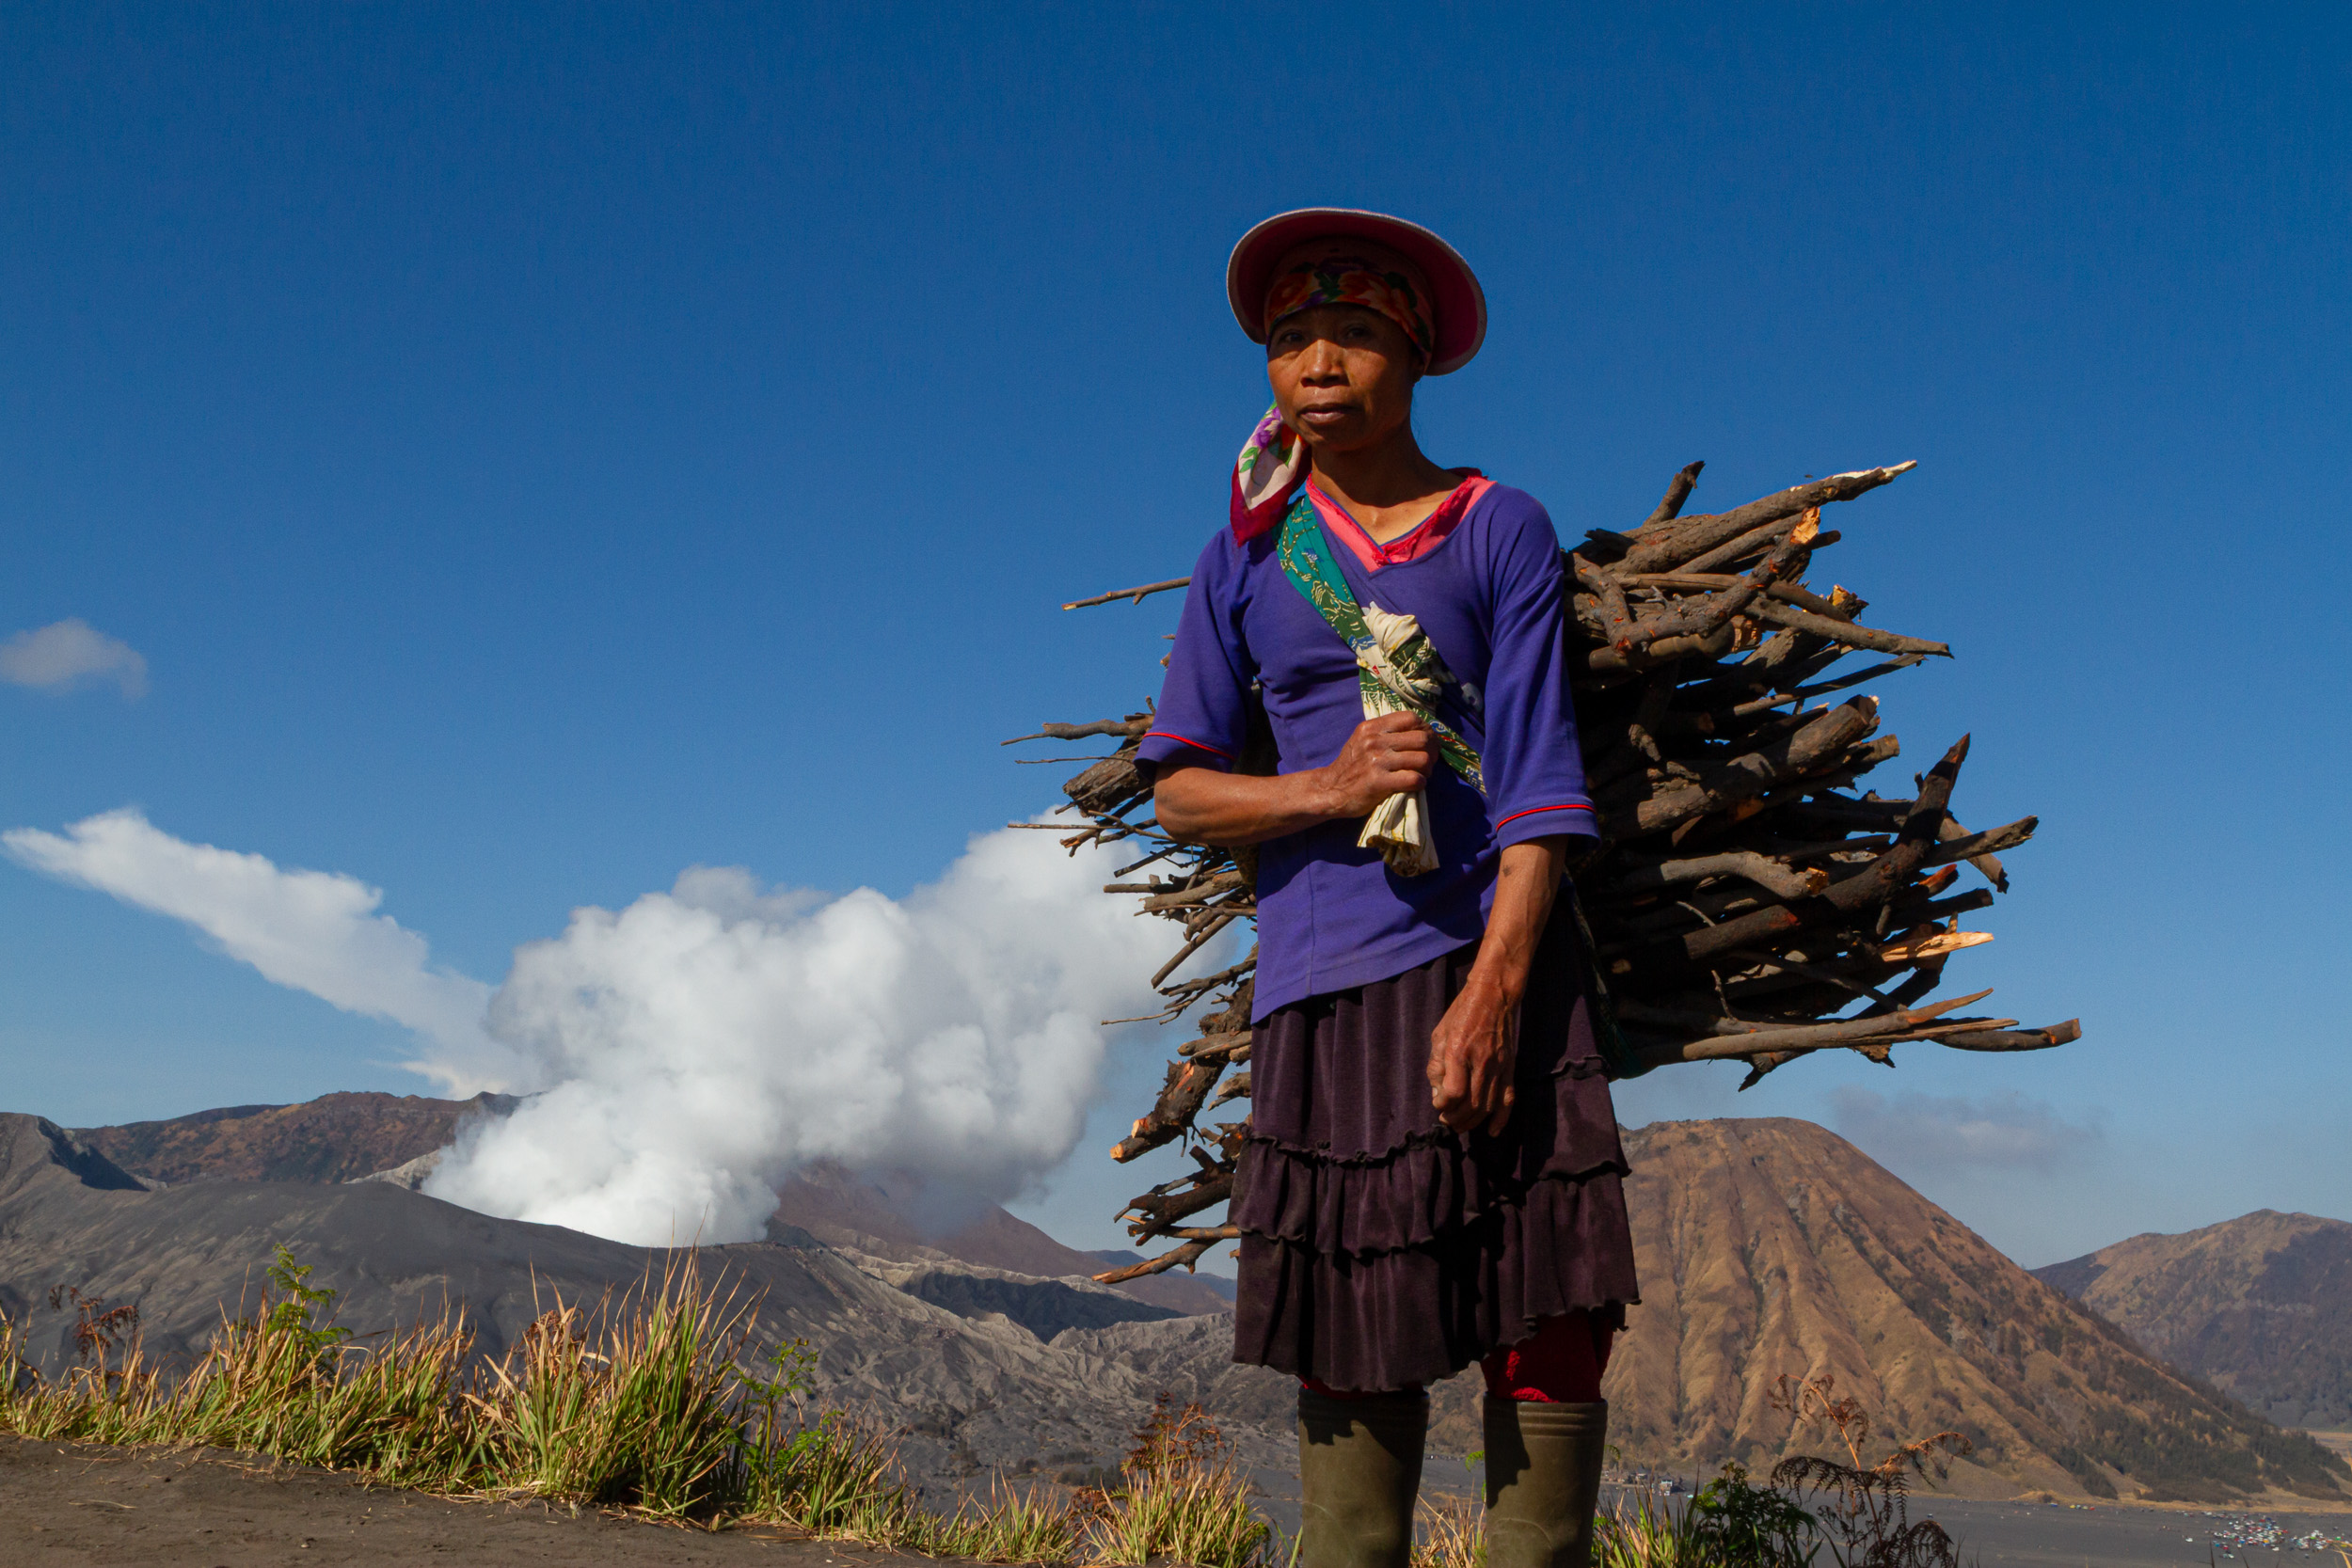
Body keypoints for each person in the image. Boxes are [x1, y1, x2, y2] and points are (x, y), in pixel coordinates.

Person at [1136, 210, 1640, 1568]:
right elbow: (1180, 786)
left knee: (1547, 1331)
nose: (1316, 361)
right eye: (1290, 337)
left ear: (1414, 359)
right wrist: (1323, 789)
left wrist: (1492, 995)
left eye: (1352, 333)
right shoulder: (1243, 556)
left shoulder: (1497, 530)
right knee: (1358, 1352)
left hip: (1506, 975)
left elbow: (1542, 792)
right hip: (1325, 990)